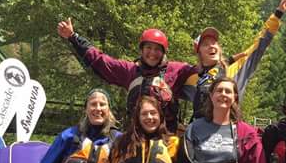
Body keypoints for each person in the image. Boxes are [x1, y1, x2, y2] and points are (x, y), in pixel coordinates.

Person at [57, 20, 194, 131]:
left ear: (163, 53)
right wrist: (73, 37)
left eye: (157, 49)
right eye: (148, 48)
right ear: (141, 50)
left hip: (167, 137)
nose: (152, 53)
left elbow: (202, 72)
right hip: (136, 136)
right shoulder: (130, 71)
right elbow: (100, 60)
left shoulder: (177, 70)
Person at [184, 0, 286, 120]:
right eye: (205, 44)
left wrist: (277, 15)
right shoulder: (191, 77)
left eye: (214, 42)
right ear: (199, 53)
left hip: (227, 132)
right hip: (198, 134)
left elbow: (259, 43)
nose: (211, 46)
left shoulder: (235, 69)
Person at [174, 77, 265, 163]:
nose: (223, 94)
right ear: (211, 96)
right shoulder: (194, 129)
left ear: (234, 97)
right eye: (219, 90)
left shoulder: (246, 133)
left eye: (228, 91)